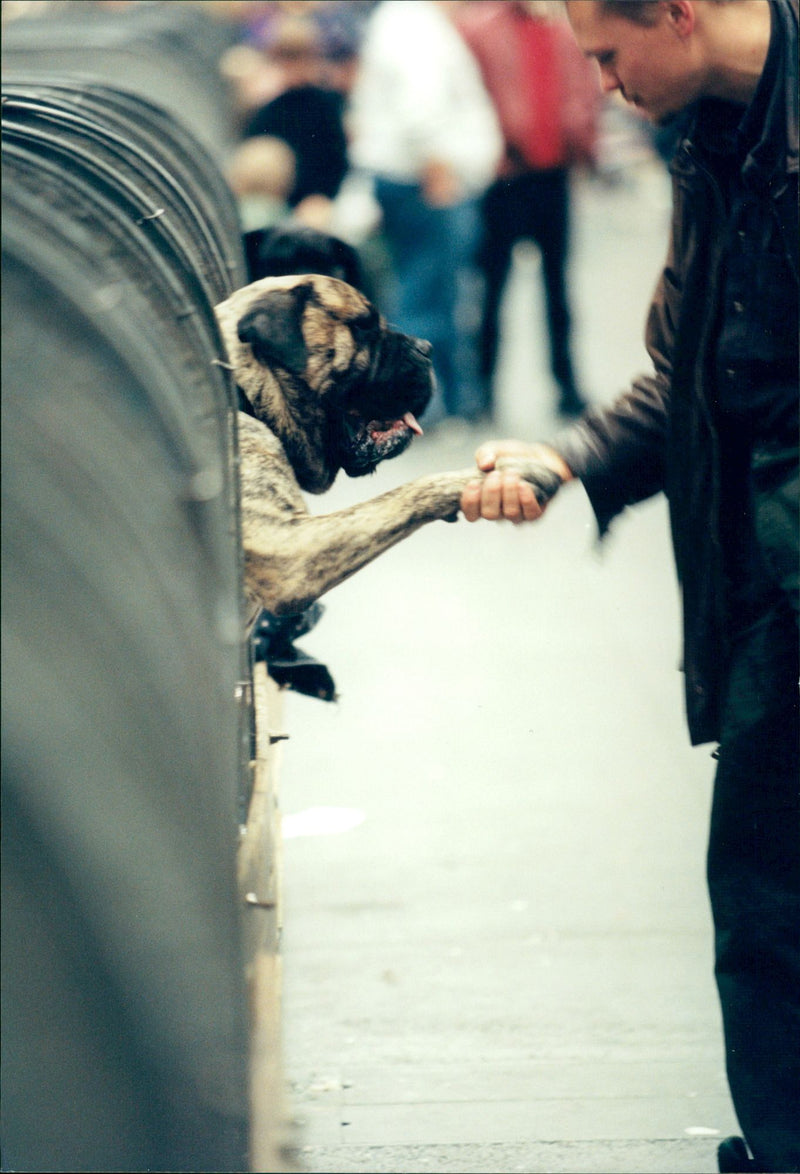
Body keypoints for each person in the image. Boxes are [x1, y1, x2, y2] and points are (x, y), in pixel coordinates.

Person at [460, 3, 799, 1172]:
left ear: (677, 12)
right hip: (767, 595)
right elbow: (696, 371)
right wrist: (567, 459)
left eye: (604, 53)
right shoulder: (713, 137)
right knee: (761, 905)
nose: (595, 81)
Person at [347, 0, 503, 424]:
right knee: (426, 298)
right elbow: (422, 104)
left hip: (418, 174)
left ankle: (436, 403)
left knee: (428, 294)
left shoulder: (403, 20)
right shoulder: (413, 24)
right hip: (426, 178)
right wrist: (437, 167)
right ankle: (419, 406)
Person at [456, 0, 602, 418]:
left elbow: (581, 91)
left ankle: (567, 384)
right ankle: (482, 387)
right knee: (493, 288)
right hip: (505, 178)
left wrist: (583, 140)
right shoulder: (481, 29)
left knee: (557, 287)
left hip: (552, 175)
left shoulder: (560, 32)